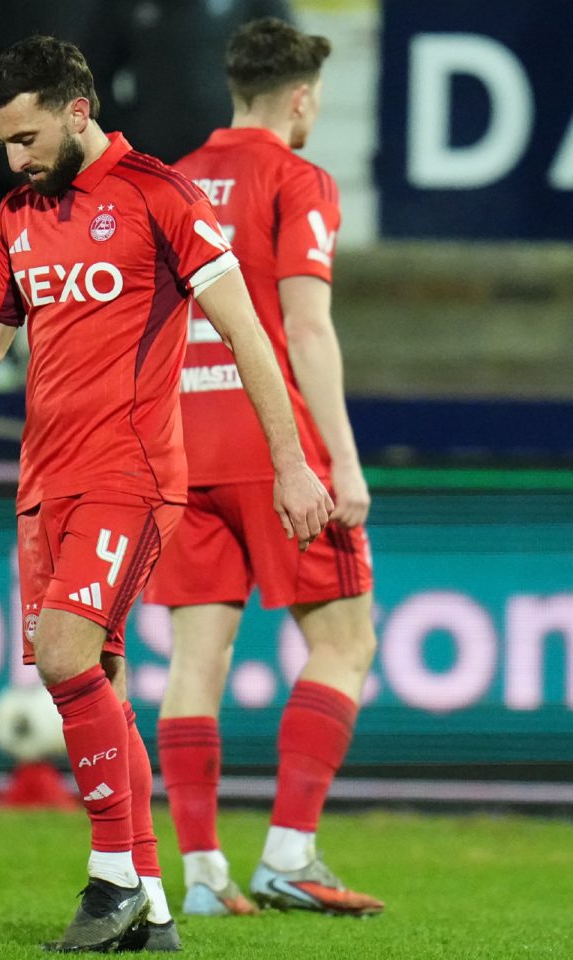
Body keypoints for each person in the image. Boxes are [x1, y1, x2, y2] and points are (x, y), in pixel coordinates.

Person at [0, 35, 332, 953]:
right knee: (93, 683)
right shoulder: (15, 216)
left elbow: (248, 334)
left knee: (64, 653)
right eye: (1, 142)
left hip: (133, 474)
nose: (13, 158)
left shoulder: (162, 195)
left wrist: (292, 461)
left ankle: (111, 878)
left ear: (78, 111)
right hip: (45, 483)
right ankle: (149, 908)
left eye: (26, 137)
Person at [145, 17, 384, 919]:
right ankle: (288, 855)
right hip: (276, 447)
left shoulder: (167, 180)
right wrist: (344, 462)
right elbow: (307, 326)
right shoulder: (297, 176)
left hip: (181, 445)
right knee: (345, 642)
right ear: (300, 98)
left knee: (195, 663)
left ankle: (202, 874)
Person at [84, 0, 294, 164]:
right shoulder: (125, 5)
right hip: (157, 154)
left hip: (235, 152)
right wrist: (127, 132)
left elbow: (287, 58)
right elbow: (92, 73)